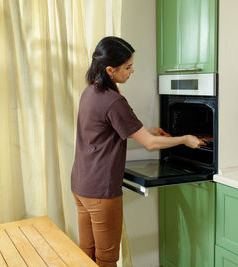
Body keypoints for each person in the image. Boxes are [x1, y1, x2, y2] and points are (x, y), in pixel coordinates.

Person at [71, 36, 205, 266]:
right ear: (110, 70)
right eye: (128, 66)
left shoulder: (90, 92)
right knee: (107, 259)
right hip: (101, 191)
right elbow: (150, 144)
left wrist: (147, 130)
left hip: (81, 186)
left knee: (87, 253)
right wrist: (185, 139)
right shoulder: (113, 100)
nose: (133, 71)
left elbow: (105, 130)